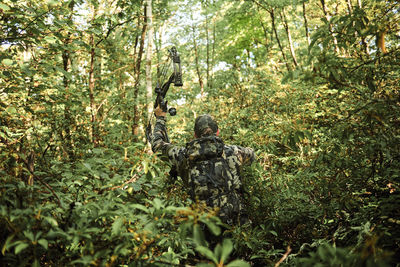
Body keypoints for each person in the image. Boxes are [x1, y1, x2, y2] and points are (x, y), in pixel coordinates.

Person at [150, 106, 255, 225]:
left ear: (195, 135)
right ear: (218, 132)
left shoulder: (182, 154)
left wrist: (160, 118)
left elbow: (157, 145)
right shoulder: (234, 151)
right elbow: (252, 155)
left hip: (203, 225)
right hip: (236, 223)